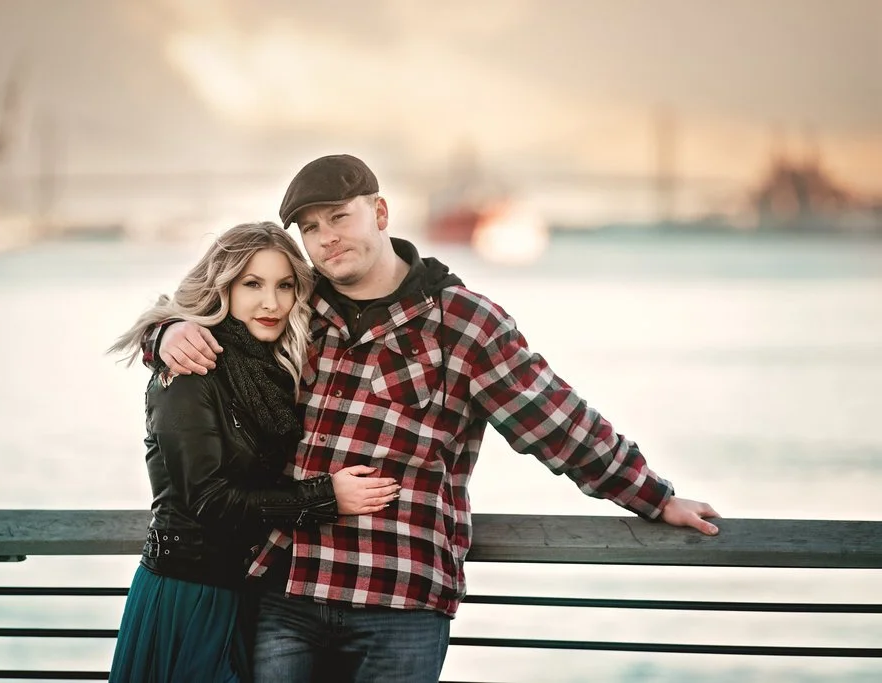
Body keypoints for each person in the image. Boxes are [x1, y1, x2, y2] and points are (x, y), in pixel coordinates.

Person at [146, 155, 721, 683]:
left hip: (399, 599)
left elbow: (557, 421)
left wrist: (655, 496)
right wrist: (164, 334)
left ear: (380, 212)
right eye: (312, 229)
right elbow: (212, 326)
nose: (327, 238)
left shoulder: (462, 322)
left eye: (339, 218)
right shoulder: (299, 304)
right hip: (288, 587)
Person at [106, 221, 401, 682]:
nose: (272, 303)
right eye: (252, 284)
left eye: (285, 286)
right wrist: (325, 498)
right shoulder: (189, 371)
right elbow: (207, 499)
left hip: (253, 594)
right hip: (190, 594)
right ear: (222, 287)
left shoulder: (277, 370)